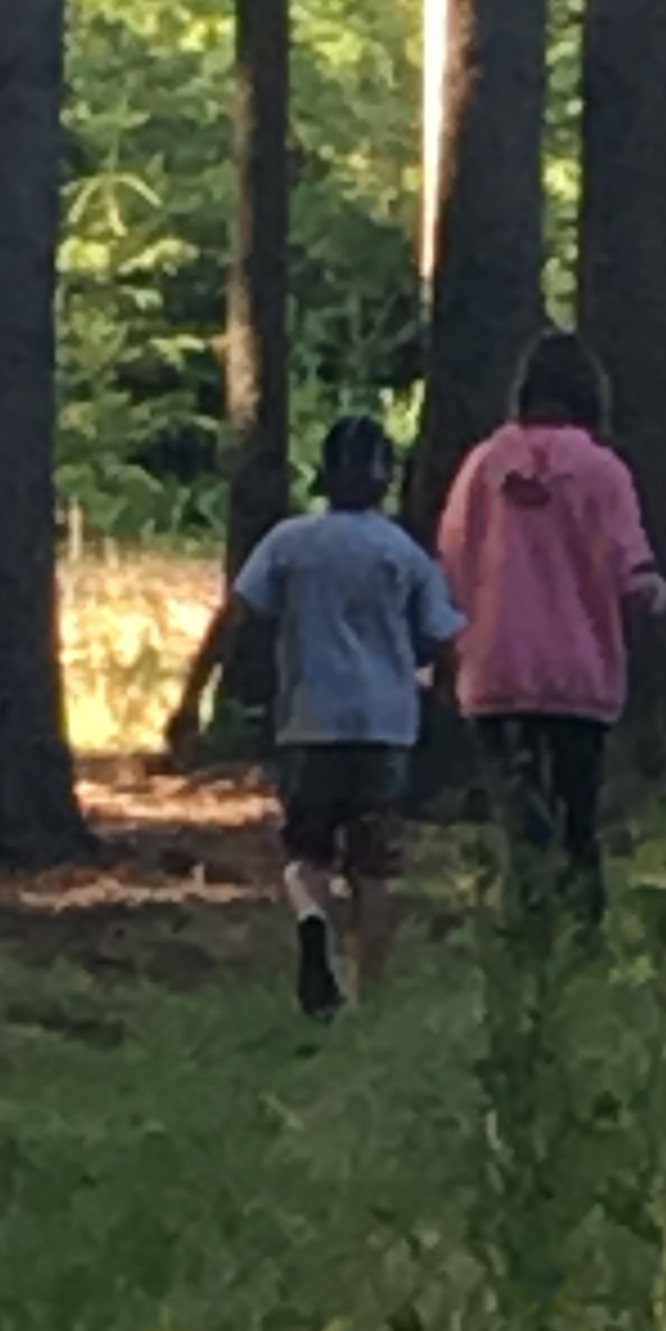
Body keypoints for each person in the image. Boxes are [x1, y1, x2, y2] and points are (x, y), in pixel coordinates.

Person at [230, 412, 465, 1019]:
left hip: (309, 717)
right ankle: (368, 994)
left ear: (326, 473)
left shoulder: (289, 542)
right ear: (385, 477)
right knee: (375, 863)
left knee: (305, 853)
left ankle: (313, 921)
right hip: (385, 723)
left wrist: (204, 693)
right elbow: (444, 636)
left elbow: (242, 614)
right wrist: (450, 694)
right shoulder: (402, 552)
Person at [438, 330, 666, 915]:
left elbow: (452, 558)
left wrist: (454, 636)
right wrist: (652, 593)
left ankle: (524, 926)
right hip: (579, 675)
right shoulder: (602, 471)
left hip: (495, 671)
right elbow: (631, 567)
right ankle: (582, 933)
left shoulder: (481, 468)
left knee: (518, 815)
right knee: (578, 817)